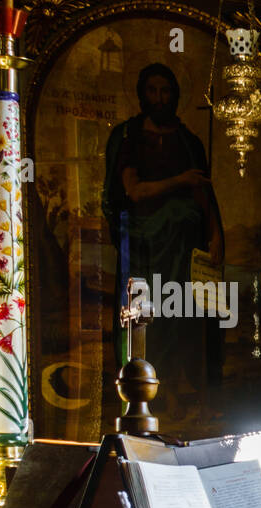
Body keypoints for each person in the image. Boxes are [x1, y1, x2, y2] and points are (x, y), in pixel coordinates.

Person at [102, 62, 224, 412]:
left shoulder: (189, 142)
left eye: (166, 91)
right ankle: (142, 390)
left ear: (175, 95)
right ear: (142, 94)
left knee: (181, 318)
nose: (159, 98)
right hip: (144, 250)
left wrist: (215, 235)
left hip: (182, 258)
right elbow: (134, 192)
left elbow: (204, 196)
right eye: (152, 90)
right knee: (147, 319)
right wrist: (180, 182)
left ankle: (181, 386)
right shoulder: (130, 137)